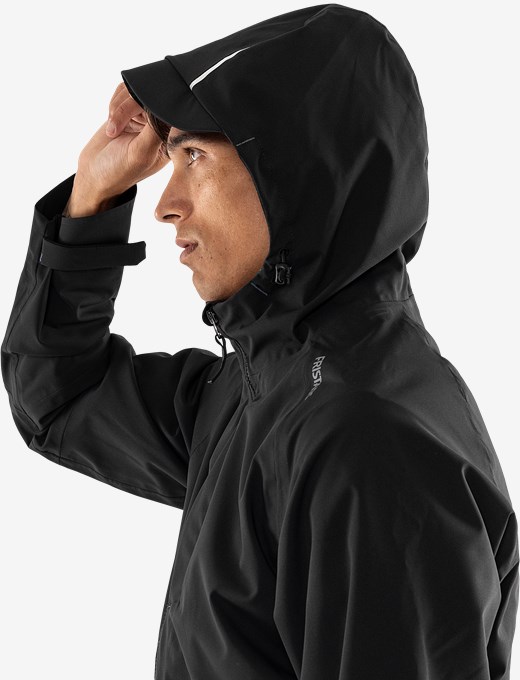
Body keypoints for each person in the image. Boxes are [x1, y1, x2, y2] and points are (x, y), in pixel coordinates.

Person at [2, 3, 518, 679]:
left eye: (194, 156)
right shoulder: (269, 383)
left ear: (303, 176)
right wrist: (92, 197)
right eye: (172, 157)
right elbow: (61, 400)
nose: (164, 204)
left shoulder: (366, 445)